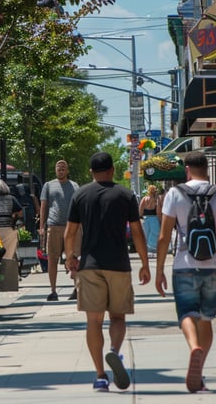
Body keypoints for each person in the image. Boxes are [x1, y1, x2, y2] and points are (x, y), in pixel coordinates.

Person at [155, 151, 216, 393]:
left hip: (183, 263)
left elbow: (163, 238)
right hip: (213, 265)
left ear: (187, 170)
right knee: (206, 319)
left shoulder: (175, 193)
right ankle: (199, 373)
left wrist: (160, 270)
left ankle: (193, 347)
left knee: (186, 314)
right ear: (207, 169)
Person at [64, 152, 150, 393]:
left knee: (93, 321)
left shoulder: (80, 194)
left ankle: (100, 376)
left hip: (90, 265)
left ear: (92, 172)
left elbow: (69, 233)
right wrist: (144, 263)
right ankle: (114, 351)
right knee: (118, 317)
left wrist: (70, 257)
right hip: (119, 265)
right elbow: (136, 232)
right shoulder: (125, 195)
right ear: (112, 170)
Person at [39, 160, 80, 301]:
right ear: (55, 170)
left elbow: (79, 205)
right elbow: (44, 206)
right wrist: (41, 227)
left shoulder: (74, 186)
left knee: (74, 258)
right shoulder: (49, 185)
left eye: (63, 168)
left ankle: (77, 289)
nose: (61, 170)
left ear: (67, 170)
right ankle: (53, 290)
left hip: (72, 226)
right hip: (54, 226)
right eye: (58, 168)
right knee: (52, 258)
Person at [138, 185, 161, 258]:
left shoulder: (144, 199)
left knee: (145, 235)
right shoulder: (156, 200)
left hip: (146, 219)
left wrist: (141, 217)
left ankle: (146, 251)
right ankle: (153, 250)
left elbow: (140, 211)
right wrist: (160, 220)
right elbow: (158, 212)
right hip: (154, 219)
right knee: (155, 234)